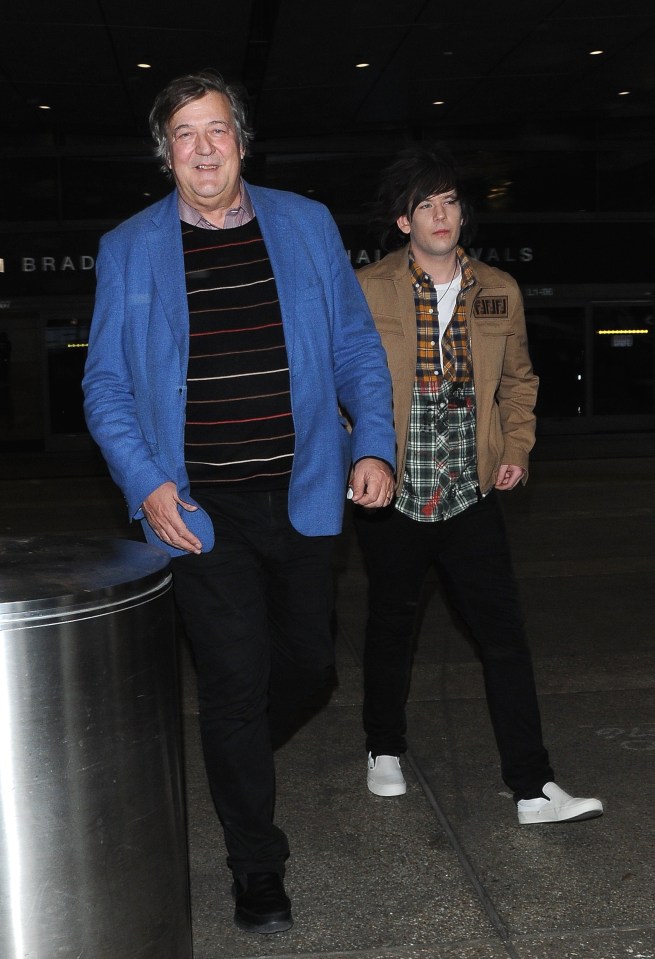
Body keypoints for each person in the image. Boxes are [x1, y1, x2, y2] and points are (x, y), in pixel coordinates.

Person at [82, 69, 396, 935]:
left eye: (216, 129)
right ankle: (257, 865)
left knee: (307, 668)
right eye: (185, 133)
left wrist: (371, 442)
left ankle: (234, 759)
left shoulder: (304, 223)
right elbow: (105, 384)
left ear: (242, 141)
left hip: (301, 497)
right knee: (231, 687)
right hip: (197, 508)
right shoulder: (129, 247)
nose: (204, 146)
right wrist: (148, 486)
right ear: (166, 153)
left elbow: (356, 352)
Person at [353, 145, 603, 825]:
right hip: (397, 494)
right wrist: (359, 456)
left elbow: (519, 380)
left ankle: (532, 786)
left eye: (449, 201)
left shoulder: (497, 288)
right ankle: (382, 746)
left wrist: (514, 445)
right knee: (391, 625)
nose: (440, 215)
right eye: (424, 205)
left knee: (504, 638)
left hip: (468, 490)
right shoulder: (368, 287)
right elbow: (343, 385)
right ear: (403, 221)